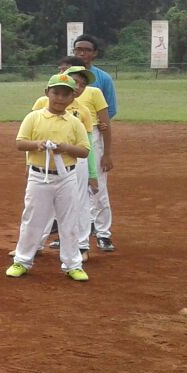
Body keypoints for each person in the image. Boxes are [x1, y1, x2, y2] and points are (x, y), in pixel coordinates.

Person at [6, 72, 93, 281]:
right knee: (32, 218)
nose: (60, 98)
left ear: (73, 98)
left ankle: (73, 264)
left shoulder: (75, 122)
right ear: (47, 93)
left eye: (65, 94)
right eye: (56, 93)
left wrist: (65, 148)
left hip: (66, 176)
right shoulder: (34, 117)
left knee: (69, 220)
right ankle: (22, 260)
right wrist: (38, 144)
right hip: (39, 175)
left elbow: (84, 150)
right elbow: (20, 143)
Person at [29, 60, 107, 258]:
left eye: (83, 84)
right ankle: (34, 244)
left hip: (75, 162)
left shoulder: (83, 111)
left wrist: (91, 173)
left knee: (78, 203)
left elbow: (87, 144)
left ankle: (81, 246)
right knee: (40, 204)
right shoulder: (41, 103)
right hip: (43, 160)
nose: (79, 87)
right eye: (76, 82)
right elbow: (30, 134)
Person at [72, 34, 117, 251]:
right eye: (77, 49)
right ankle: (71, 233)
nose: (81, 53)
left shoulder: (102, 80)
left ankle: (103, 233)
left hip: (94, 135)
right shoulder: (63, 77)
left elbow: (110, 112)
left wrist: (106, 151)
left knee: (97, 185)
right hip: (68, 137)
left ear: (94, 53)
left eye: (86, 50)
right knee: (69, 187)